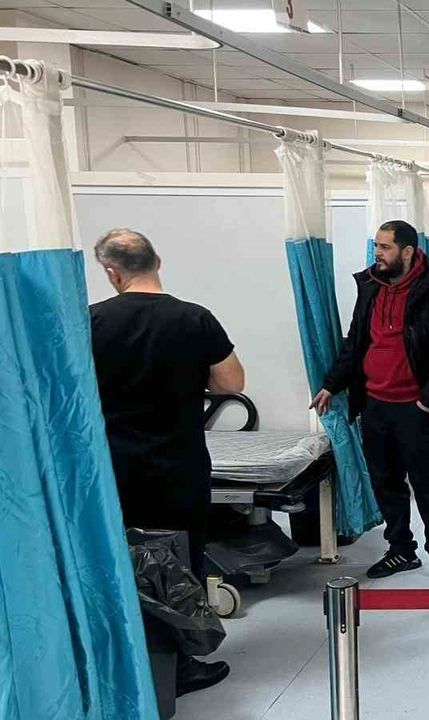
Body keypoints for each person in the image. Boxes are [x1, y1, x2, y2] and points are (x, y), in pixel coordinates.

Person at [89, 228, 243, 696]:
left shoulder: (91, 320)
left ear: (112, 273)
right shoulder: (194, 318)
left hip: (115, 470)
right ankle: (179, 668)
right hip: (178, 465)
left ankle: (129, 664)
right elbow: (231, 383)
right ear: (158, 261)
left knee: (122, 565)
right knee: (180, 565)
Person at [309, 220, 429, 581]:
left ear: (407, 251)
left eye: (385, 247)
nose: (377, 253)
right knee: (386, 482)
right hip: (375, 404)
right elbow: (356, 341)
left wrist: (428, 401)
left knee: (428, 483)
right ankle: (401, 549)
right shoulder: (370, 288)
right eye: (376, 245)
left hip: (415, 408)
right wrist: (331, 384)